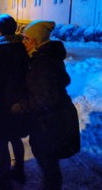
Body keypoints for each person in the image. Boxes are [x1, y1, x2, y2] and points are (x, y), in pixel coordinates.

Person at [22, 20, 80, 189]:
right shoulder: (43, 57)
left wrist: (21, 106)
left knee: (49, 168)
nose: (24, 42)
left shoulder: (43, 63)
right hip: (51, 122)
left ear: (37, 41)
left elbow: (45, 99)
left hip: (50, 124)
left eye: (27, 38)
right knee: (50, 167)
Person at [0, 14, 29, 189]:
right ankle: (19, 169)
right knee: (15, 136)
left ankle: (4, 176)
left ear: (0, 30)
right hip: (19, 100)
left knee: (2, 139)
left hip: (3, 102)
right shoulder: (22, 47)